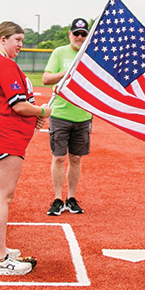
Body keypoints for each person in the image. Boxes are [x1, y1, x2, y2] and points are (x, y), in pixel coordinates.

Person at [0, 21, 50, 276]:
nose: (21, 44)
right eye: (17, 39)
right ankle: (0, 259)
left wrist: (35, 115)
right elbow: (19, 106)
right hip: (5, 133)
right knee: (2, 196)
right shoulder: (4, 64)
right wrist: (43, 110)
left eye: (22, 40)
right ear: (2, 39)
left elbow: (18, 105)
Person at [41, 17, 93, 216]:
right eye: (76, 33)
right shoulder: (59, 52)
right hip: (61, 113)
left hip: (83, 114)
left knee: (76, 158)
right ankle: (57, 198)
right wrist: (66, 72)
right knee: (59, 157)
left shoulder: (91, 56)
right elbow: (46, 78)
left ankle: (71, 198)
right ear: (70, 34)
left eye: (83, 34)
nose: (79, 37)